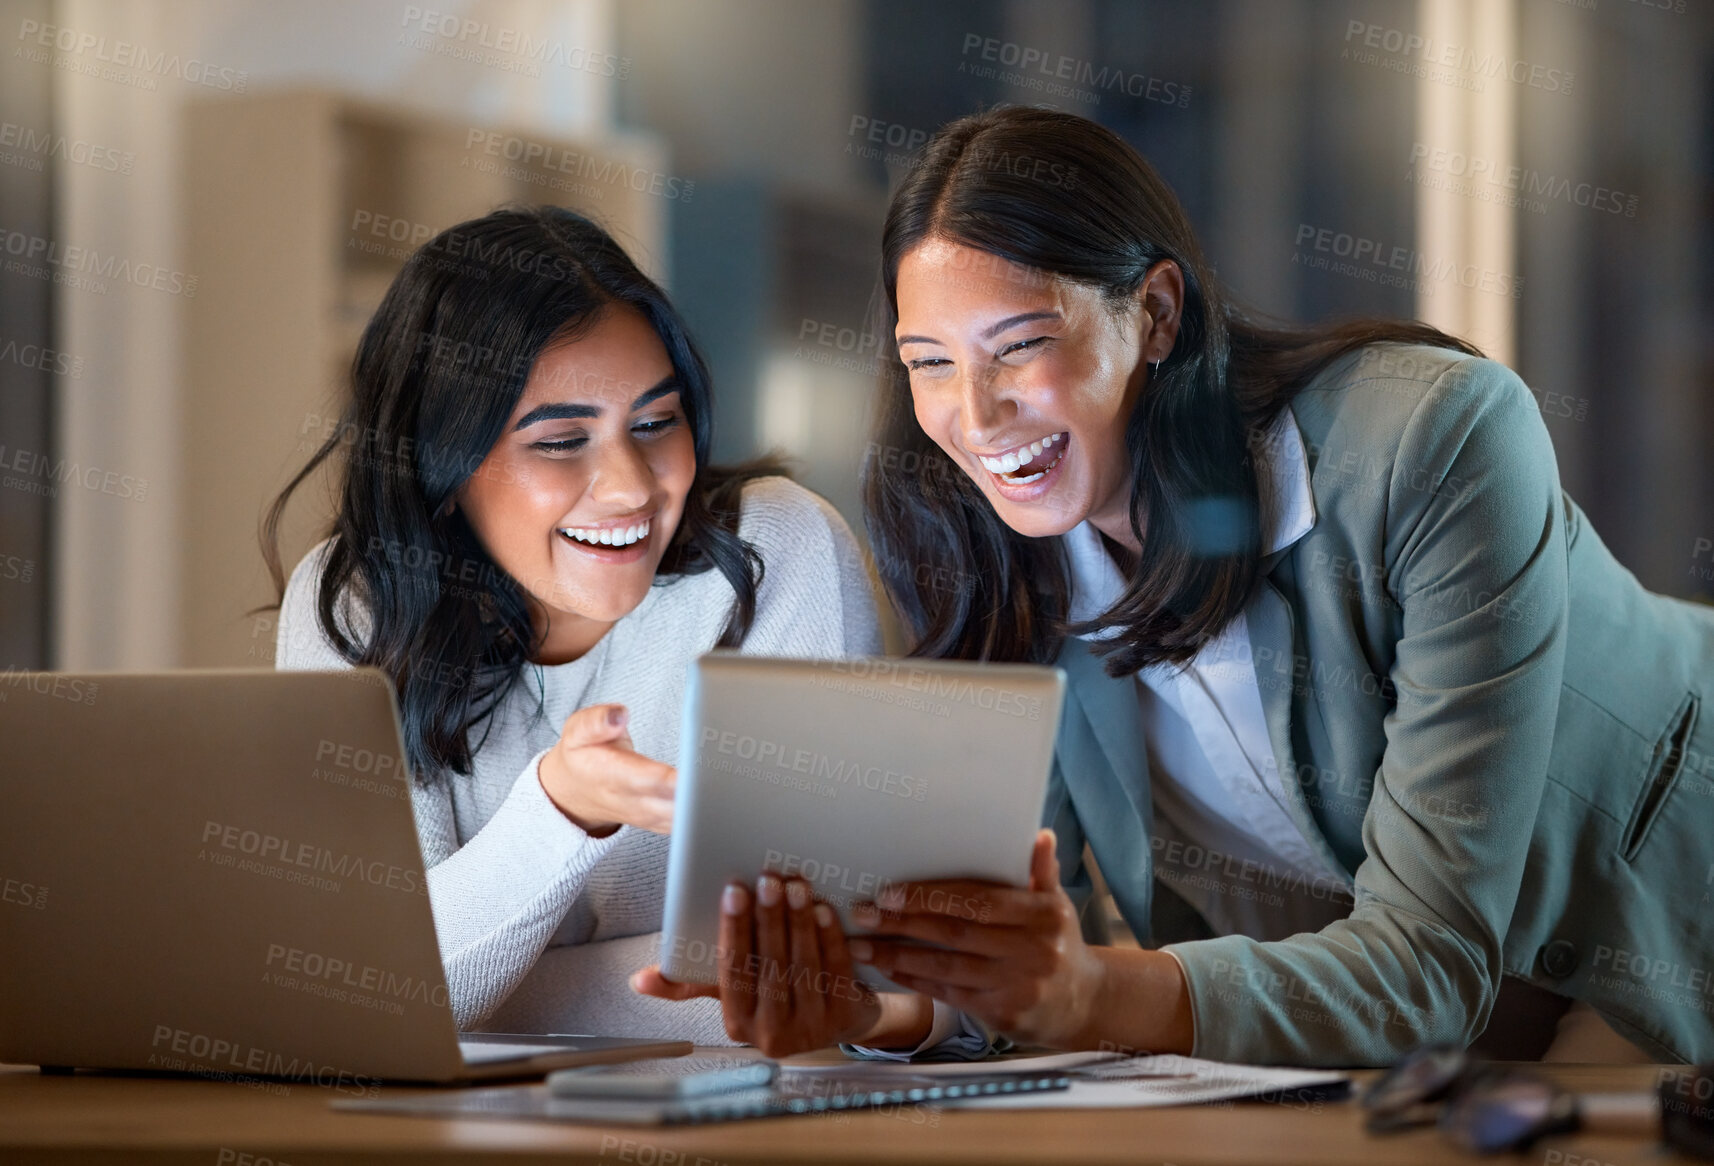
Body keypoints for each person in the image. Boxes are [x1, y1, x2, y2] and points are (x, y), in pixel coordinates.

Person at [855, 106, 1714, 1066]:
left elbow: (1426, 959)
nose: (974, 414)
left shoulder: (1435, 441)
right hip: (1428, 1026)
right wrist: (880, 1013)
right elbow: (1029, 941)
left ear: (1156, 313)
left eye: (1018, 346)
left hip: (1659, 932)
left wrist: (1094, 990)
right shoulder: (1004, 555)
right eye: (929, 363)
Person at [264, 206, 947, 1057]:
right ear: (440, 465)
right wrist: (559, 809)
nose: (629, 488)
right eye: (560, 441)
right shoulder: (352, 603)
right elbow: (362, 992)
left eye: (656, 424)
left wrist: (495, 987)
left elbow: (817, 989)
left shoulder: (775, 552)